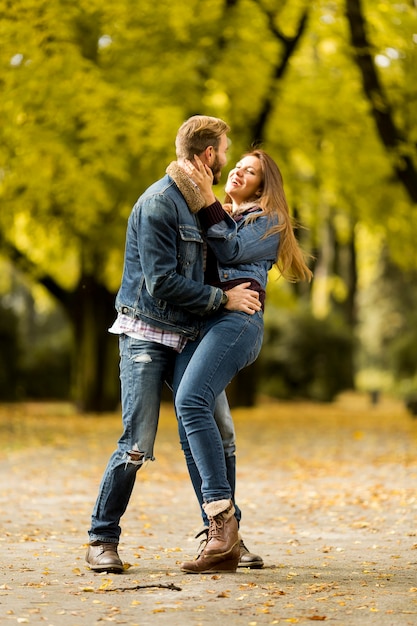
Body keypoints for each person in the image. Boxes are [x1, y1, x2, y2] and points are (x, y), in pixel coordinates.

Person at [85, 115, 263, 573]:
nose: (227, 158)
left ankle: (225, 534)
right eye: (225, 150)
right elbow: (161, 281)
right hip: (145, 333)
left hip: (187, 334)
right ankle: (101, 538)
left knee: (215, 430)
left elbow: (230, 249)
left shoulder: (203, 205)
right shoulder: (160, 202)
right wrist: (223, 300)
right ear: (209, 156)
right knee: (136, 443)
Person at [173, 149, 313, 573]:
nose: (238, 173)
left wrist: (204, 196)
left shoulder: (268, 221)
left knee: (190, 402)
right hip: (202, 325)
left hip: (238, 322)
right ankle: (226, 540)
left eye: (249, 172)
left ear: (262, 185)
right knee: (206, 425)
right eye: (237, 167)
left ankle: (222, 524)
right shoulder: (212, 215)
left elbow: (232, 251)